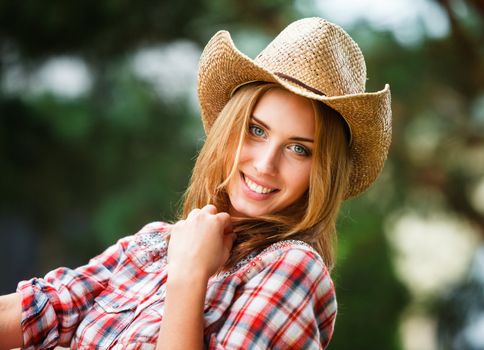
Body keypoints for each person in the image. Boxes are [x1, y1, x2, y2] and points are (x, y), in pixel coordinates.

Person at [0, 17, 391, 349]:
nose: (265, 163)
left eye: (299, 150)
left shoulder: (292, 269)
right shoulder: (154, 245)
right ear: (229, 127)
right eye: (256, 130)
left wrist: (189, 275)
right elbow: (41, 310)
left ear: (322, 172)